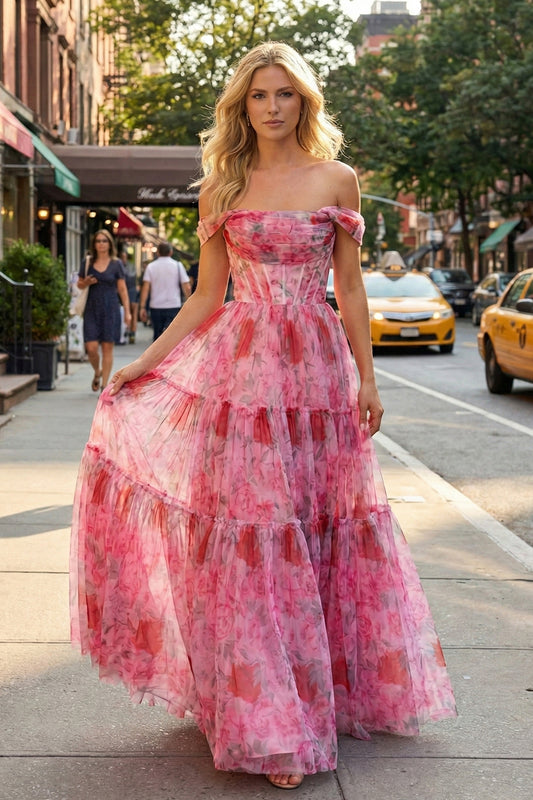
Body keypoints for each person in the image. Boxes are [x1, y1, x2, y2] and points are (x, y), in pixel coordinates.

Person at [70, 42, 456, 792]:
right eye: (257, 96)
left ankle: (322, 694)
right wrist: (144, 365)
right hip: (240, 377)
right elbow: (207, 297)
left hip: (312, 374)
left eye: (283, 93)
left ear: (302, 100)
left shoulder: (336, 178)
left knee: (317, 529)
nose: (271, 106)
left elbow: (348, 287)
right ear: (240, 107)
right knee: (250, 540)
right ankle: (266, 714)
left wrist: (366, 378)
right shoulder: (224, 185)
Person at [77, 229, 131, 391]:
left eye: (104, 241)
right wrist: (85, 282)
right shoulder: (87, 262)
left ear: (110, 244)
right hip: (91, 309)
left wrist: (127, 312)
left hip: (110, 308)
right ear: (94, 244)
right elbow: (79, 285)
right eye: (98, 241)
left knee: (108, 348)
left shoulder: (116, 264)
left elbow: (122, 289)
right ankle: (97, 371)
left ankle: (104, 386)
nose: (101, 244)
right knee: (91, 348)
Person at [139, 242, 191, 340]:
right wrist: (190, 302)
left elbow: (145, 288)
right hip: (173, 305)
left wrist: (142, 307)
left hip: (156, 306)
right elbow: (186, 286)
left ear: (157, 253)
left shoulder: (151, 267)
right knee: (172, 338)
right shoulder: (178, 266)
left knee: (157, 337)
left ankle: (157, 355)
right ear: (170, 252)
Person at [119, 247, 139, 343]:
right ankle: (124, 331)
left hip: (131, 290)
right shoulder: (117, 265)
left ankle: (132, 332)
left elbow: (131, 276)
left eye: (125, 257)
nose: (123, 259)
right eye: (122, 257)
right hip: (119, 291)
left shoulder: (130, 266)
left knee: (133, 309)